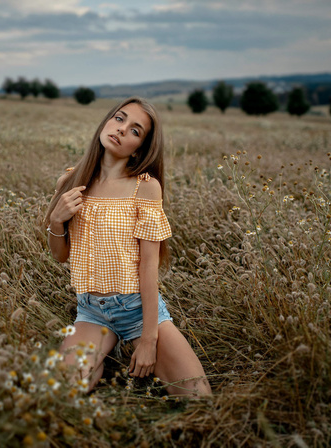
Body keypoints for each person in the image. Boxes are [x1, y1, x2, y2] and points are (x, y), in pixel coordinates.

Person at [45, 97, 211, 396]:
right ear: (107, 120)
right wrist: (56, 222)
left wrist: (149, 340)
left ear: (141, 147)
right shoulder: (71, 180)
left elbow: (148, 267)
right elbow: (60, 256)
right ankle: (105, 354)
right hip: (92, 311)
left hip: (137, 309)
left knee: (199, 397)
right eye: (120, 119)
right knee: (61, 394)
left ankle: (129, 346)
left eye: (135, 130)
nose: (122, 130)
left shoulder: (145, 187)